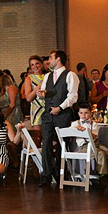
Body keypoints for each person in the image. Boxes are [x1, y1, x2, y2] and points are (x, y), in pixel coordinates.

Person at [37, 49, 80, 187]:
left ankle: (61, 172)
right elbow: (45, 93)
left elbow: (73, 96)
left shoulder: (70, 75)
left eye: (51, 58)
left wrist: (60, 108)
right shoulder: (48, 76)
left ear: (58, 59)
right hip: (48, 114)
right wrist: (41, 94)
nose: (49, 61)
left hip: (63, 114)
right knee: (46, 143)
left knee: (63, 144)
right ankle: (46, 175)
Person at [72, 104, 108, 184]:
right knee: (100, 154)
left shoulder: (94, 124)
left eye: (86, 113)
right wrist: (77, 130)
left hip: (95, 144)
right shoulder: (75, 124)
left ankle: (107, 175)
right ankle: (102, 177)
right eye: (81, 113)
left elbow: (94, 135)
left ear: (90, 113)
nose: (83, 115)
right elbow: (70, 132)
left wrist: (85, 131)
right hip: (84, 146)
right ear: (78, 114)